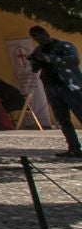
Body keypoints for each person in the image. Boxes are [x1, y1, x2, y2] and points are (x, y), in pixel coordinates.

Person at [25, 26, 82, 158]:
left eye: (39, 35)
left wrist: (48, 58)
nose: (37, 39)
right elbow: (35, 69)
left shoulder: (64, 46)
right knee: (62, 120)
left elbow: (73, 61)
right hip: (52, 88)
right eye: (34, 37)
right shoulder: (38, 50)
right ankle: (74, 148)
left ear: (46, 34)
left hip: (70, 87)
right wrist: (34, 61)